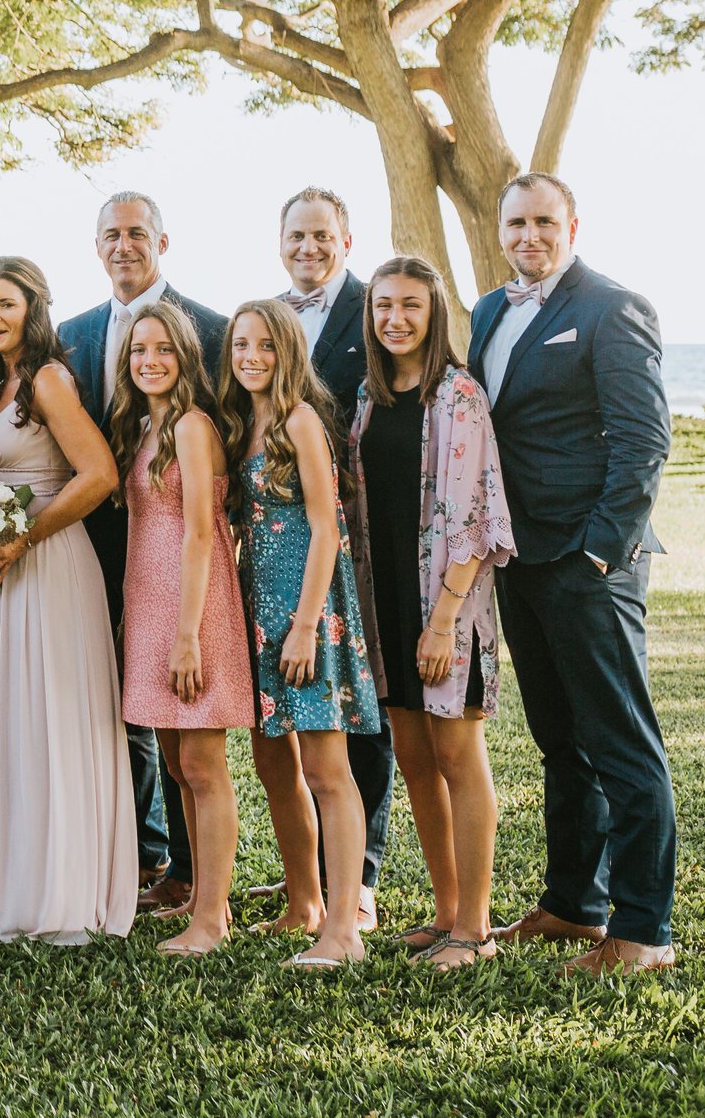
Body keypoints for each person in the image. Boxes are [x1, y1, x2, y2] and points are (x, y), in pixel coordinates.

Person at [470, 174, 677, 976]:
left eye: (543, 221)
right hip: (520, 559)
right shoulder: (489, 310)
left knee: (620, 740)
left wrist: (599, 550)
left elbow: (643, 440)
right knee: (560, 739)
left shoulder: (612, 307)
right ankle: (572, 903)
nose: (529, 235)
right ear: (500, 229)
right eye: (515, 222)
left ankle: (644, 929)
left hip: (588, 563)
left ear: (572, 226)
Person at [58, 191, 229, 912]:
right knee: (130, 707)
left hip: (188, 556)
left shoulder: (213, 329)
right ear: (96, 245)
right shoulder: (72, 333)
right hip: (112, 552)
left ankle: (196, 876)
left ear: (162, 240)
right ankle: (142, 853)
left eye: (136, 232)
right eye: (111, 234)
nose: (123, 245)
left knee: (193, 738)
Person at [0, 256, 136, 945]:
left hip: (49, 561)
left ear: (33, 307)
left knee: (55, 719)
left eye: (5, 303)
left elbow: (99, 475)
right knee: (19, 723)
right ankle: (20, 884)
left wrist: (25, 537)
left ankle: (65, 891)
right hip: (4, 566)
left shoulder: (48, 379)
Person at [349, 254, 515, 970]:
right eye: (383, 304)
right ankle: (446, 911)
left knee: (456, 754)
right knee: (415, 757)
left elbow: (477, 516)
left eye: (410, 305)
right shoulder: (368, 395)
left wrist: (444, 619)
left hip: (445, 599)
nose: (395, 318)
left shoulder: (459, 395)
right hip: (385, 594)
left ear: (434, 312)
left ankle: (474, 928)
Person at [220, 300, 380, 968]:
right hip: (257, 607)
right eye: (240, 344)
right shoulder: (242, 421)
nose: (251, 356)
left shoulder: (300, 420)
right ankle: (304, 904)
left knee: (326, 770)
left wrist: (306, 626)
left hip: (306, 612)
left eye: (264, 344)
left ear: (287, 350)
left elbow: (326, 527)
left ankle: (343, 931)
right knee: (273, 764)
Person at [256, 186, 391, 933]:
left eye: (321, 235)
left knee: (354, 707)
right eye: (296, 236)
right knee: (296, 726)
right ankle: (306, 882)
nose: (308, 247)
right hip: (281, 542)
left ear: (346, 240)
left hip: (356, 529)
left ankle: (358, 880)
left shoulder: (377, 310)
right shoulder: (267, 322)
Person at [108, 304, 252, 956]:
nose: (151, 360)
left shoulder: (192, 425)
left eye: (164, 349)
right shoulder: (145, 425)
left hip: (192, 605)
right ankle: (199, 897)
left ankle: (213, 919)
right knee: (175, 761)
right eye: (140, 349)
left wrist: (188, 633)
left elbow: (200, 533)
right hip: (148, 604)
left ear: (186, 356)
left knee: (202, 762)